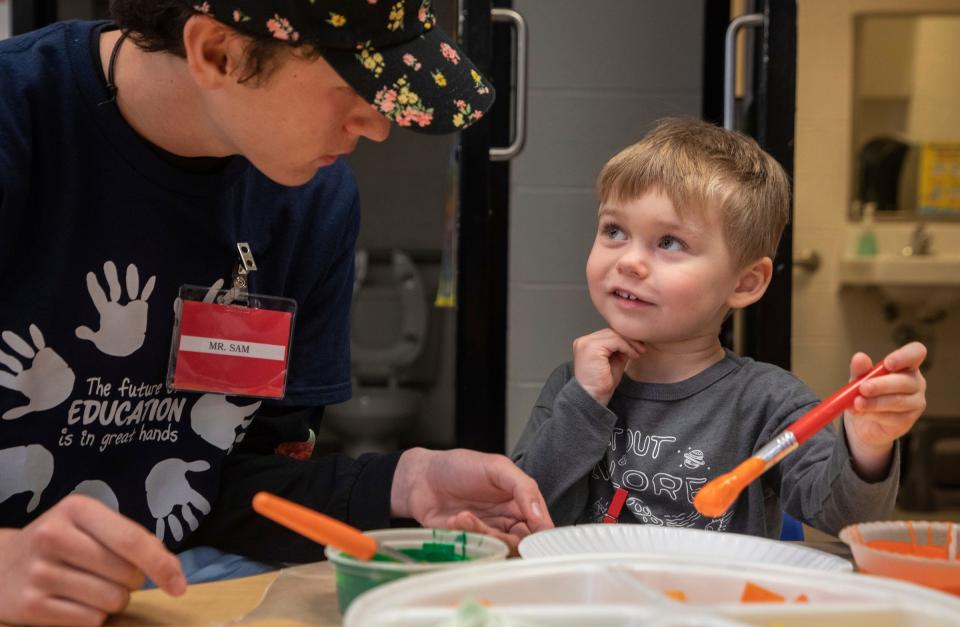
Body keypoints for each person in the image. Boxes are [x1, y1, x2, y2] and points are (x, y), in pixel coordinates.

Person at [0, 1, 551, 624]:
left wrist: (406, 482)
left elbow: (230, 483)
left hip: (180, 595)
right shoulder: (17, 122)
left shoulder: (311, 202)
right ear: (218, 53)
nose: (377, 126)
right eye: (351, 86)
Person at [511, 118, 927, 537]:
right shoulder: (571, 385)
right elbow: (526, 515)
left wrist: (868, 446)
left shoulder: (767, 402)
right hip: (593, 596)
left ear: (745, 283)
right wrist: (584, 403)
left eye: (669, 242)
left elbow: (845, 519)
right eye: (614, 231)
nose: (629, 261)